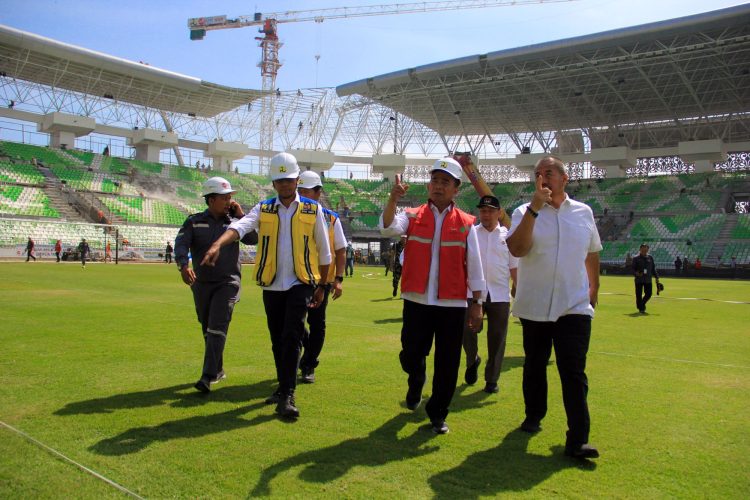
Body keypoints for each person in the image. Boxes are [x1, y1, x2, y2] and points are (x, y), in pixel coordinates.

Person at [202, 152, 331, 419]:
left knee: (292, 336)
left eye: (289, 179)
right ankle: (284, 385)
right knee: (277, 339)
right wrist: (217, 243)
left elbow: (325, 252)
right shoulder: (264, 208)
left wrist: (324, 286)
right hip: (272, 284)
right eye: (279, 180)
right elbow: (240, 226)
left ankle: (287, 395)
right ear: (274, 183)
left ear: (296, 180)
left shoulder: (312, 209)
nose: (284, 185)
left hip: (301, 282)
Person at [506, 155, 601, 459]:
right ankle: (534, 415)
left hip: (574, 305)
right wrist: (535, 208)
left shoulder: (584, 213)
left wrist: (594, 285)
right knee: (535, 365)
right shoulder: (523, 211)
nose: (542, 178)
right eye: (537, 174)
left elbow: (592, 251)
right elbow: (517, 249)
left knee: (573, 371)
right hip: (535, 304)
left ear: (565, 178)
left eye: (548, 172)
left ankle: (578, 439)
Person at [381, 157, 485, 435]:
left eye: (445, 182)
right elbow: (387, 227)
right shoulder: (412, 215)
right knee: (411, 353)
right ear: (429, 185)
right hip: (417, 301)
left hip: (452, 305)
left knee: (448, 363)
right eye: (434, 181)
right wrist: (393, 198)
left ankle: (437, 412)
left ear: (456, 189)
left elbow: (474, 267)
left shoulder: (466, 223)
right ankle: (416, 378)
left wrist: (477, 303)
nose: (438, 186)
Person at [175, 176, 252, 394]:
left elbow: (253, 238)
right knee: (208, 327)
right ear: (210, 200)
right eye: (224, 197)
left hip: (228, 282)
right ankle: (217, 370)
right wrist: (183, 266)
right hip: (201, 283)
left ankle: (206, 377)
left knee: (217, 325)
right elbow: (181, 244)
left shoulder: (236, 223)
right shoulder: (194, 221)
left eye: (230, 197)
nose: (229, 201)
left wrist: (240, 215)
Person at [462, 195, 518, 394]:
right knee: (467, 332)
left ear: (499, 213)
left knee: (497, 339)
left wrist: (518, 289)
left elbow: (514, 267)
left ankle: (491, 379)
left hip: (499, 294)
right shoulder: (471, 234)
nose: (486, 214)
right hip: (472, 292)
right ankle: (472, 359)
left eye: (490, 211)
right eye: (483, 211)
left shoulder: (507, 236)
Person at [296, 170, 346, 384]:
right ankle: (308, 351)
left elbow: (340, 250)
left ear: (318, 193)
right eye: (300, 191)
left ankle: (309, 364)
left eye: (306, 191)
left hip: (321, 281)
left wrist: (338, 279)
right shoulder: (291, 215)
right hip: (297, 278)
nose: (302, 195)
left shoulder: (331, 219)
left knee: (317, 324)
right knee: (293, 323)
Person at [632, 243, 660, 314]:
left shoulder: (650, 258)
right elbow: (632, 269)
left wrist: (656, 277)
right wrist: (636, 273)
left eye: (646, 249)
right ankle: (641, 308)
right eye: (643, 249)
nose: (645, 251)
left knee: (649, 294)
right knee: (638, 295)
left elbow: (653, 268)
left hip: (648, 279)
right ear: (640, 249)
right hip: (639, 279)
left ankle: (641, 305)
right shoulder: (636, 258)